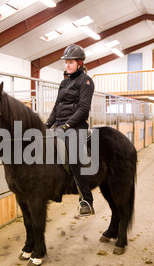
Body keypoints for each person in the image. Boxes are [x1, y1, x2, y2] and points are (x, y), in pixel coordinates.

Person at [45, 44, 95, 216]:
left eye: (71, 62)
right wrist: (46, 125)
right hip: (60, 125)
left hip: (76, 126)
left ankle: (86, 200)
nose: (67, 65)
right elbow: (56, 107)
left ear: (80, 63)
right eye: (66, 62)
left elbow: (83, 109)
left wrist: (67, 126)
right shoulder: (64, 82)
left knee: (74, 155)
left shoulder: (86, 81)